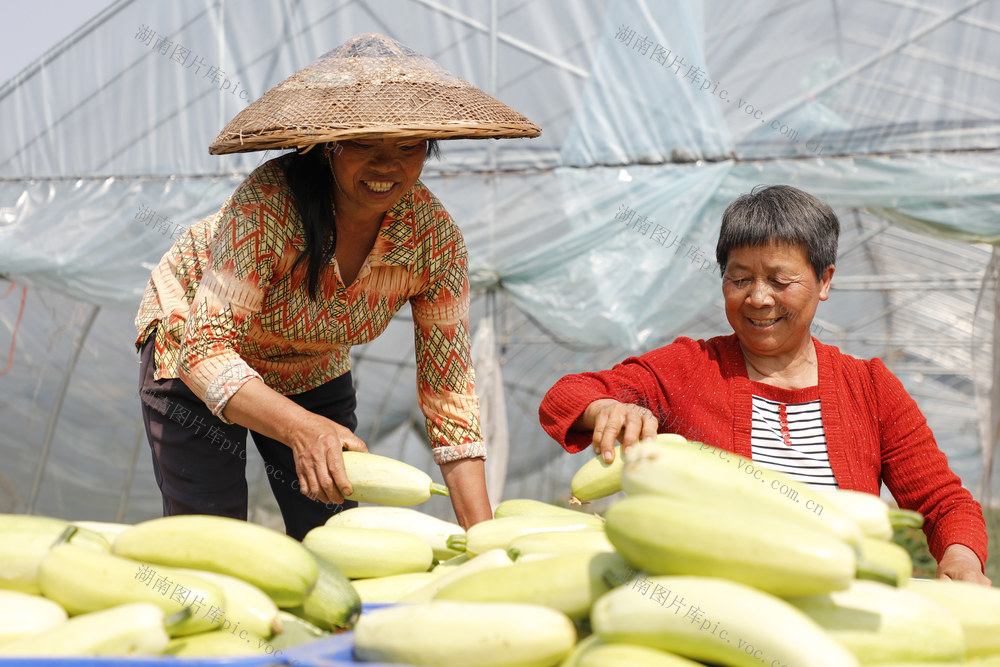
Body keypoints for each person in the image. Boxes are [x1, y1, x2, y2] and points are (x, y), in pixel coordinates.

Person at [134, 33, 539, 540]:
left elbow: (449, 394)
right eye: (364, 143)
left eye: (408, 146)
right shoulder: (268, 206)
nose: (387, 164)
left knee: (335, 536)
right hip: (193, 351)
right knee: (215, 539)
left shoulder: (433, 241)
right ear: (328, 148)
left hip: (311, 367)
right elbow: (203, 352)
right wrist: (302, 428)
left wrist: (485, 539)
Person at [539, 185, 990, 585]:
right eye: (739, 279)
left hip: (843, 604)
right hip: (715, 607)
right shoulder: (688, 368)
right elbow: (566, 395)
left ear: (824, 281)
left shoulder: (869, 386)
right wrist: (607, 409)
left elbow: (943, 501)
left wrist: (961, 556)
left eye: (780, 280)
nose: (757, 297)